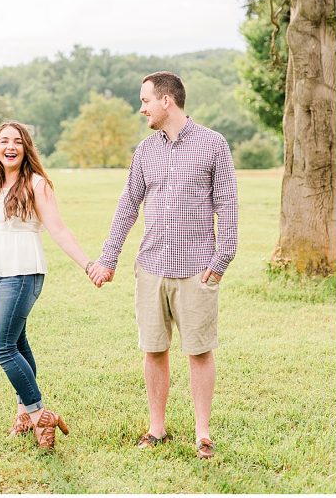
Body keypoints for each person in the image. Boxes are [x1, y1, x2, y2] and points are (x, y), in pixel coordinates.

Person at [89, 71, 238, 459]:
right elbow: (127, 207)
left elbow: (228, 204)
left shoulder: (213, 145)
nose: (142, 109)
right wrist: (108, 258)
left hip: (196, 270)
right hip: (151, 267)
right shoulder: (145, 151)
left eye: (145, 101)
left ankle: (202, 433)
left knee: (199, 351)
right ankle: (157, 428)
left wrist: (222, 259)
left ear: (166, 101)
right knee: (154, 349)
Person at [0, 120, 101, 450]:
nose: (10, 146)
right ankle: (24, 414)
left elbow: (58, 229)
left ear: (26, 147)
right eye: (4, 141)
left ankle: (39, 413)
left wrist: (87, 263)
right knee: (16, 342)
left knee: (0, 346)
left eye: (17, 141)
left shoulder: (37, 183)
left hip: (23, 272)